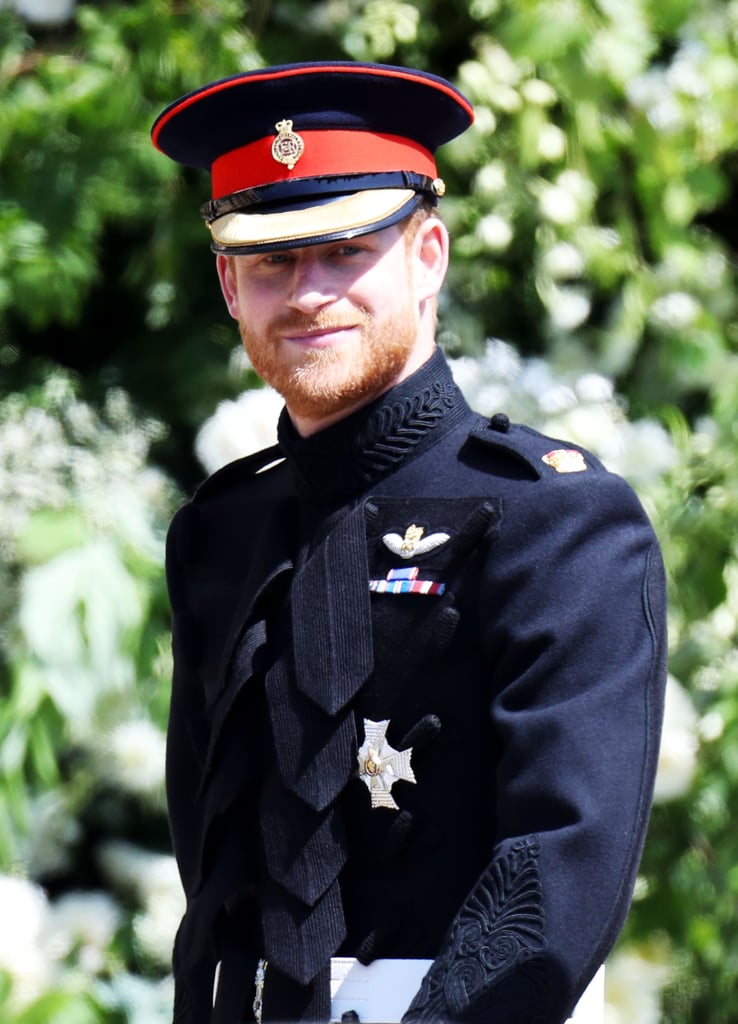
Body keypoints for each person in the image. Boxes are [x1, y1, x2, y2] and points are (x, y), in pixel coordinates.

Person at [151, 61, 668, 1024]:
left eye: (346, 250)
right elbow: (211, 871)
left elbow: (558, 873)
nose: (308, 292)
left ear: (427, 255)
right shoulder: (219, 536)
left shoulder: (557, 521)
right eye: (272, 260)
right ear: (228, 283)